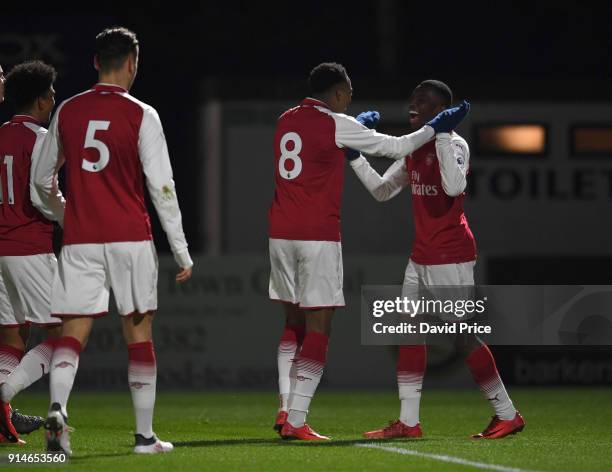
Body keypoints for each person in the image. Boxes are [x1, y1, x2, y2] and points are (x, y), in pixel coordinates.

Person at [269, 63, 469, 440]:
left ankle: (284, 407)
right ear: (339, 93)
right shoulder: (335, 121)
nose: (350, 100)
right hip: (317, 235)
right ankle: (296, 420)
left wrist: (352, 139)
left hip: (279, 233)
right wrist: (435, 126)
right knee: (319, 327)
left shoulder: (285, 119)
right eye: (349, 93)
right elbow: (394, 146)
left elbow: (322, 155)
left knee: (292, 323)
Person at [32, 27, 193, 455]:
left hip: (82, 240)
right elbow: (162, 187)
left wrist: (69, 214)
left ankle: (58, 410)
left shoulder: (67, 110)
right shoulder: (143, 114)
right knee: (138, 334)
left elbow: (39, 181)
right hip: (130, 239)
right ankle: (143, 438)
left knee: (73, 332)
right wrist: (180, 249)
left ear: (95, 63)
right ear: (132, 63)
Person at [348, 79, 524, 439]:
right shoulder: (414, 148)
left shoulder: (455, 143)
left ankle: (507, 414)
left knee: (461, 336)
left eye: (423, 100)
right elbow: (382, 191)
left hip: (451, 254)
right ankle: (408, 423)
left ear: (441, 110)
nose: (413, 102)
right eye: (412, 96)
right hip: (421, 254)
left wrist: (442, 135)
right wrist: (354, 156)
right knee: (409, 331)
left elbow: (454, 187)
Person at [0, 60, 62, 443]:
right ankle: (3, 395)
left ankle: (2, 423)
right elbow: (44, 196)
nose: (55, 99)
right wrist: (73, 218)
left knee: (11, 336)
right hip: (29, 247)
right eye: (52, 93)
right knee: (65, 334)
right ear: (40, 100)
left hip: (0, 250)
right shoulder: (40, 139)